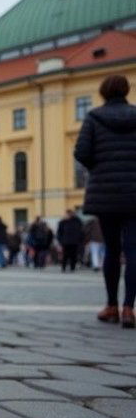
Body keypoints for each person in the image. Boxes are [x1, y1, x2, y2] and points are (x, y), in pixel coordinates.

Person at [74, 74, 136, 329]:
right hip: (135, 193)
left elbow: (81, 152)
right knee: (134, 251)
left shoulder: (93, 117)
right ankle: (129, 308)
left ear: (103, 92)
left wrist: (99, 169)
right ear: (126, 91)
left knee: (111, 249)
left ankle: (110, 306)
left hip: (106, 193)